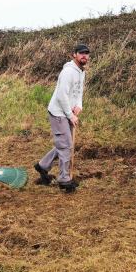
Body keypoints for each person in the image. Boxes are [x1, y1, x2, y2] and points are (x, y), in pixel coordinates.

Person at [34, 43, 90, 193]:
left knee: (64, 143)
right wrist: (70, 115)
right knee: (66, 146)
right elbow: (61, 96)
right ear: (74, 55)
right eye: (81, 53)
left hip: (68, 112)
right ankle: (64, 180)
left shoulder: (81, 71)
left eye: (86, 53)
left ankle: (42, 166)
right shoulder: (68, 72)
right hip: (59, 112)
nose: (84, 56)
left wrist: (79, 106)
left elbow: (79, 92)